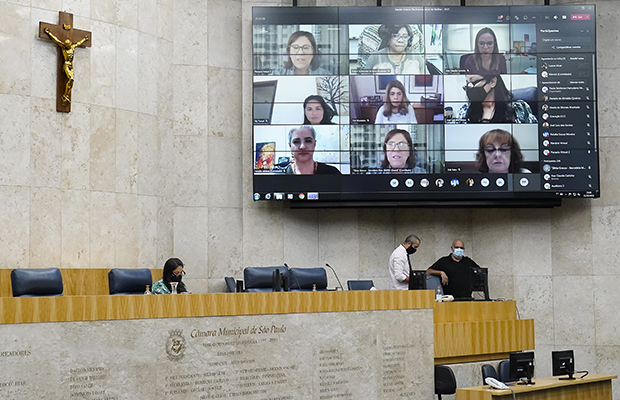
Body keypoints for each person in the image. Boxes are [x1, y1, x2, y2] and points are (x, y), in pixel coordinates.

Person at [455, 74, 537, 123]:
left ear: (492, 82)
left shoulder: (518, 109)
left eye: (473, 82)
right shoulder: (464, 111)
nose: (469, 87)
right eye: (467, 83)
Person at [44, 28, 90, 104]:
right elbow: (56, 40)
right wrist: (49, 33)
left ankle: (66, 95)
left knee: (71, 80)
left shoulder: (72, 47)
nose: (68, 46)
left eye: (68, 44)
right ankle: (65, 95)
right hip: (66, 65)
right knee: (71, 79)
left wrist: (84, 39)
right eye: (67, 45)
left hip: (71, 66)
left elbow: (79, 43)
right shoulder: (64, 49)